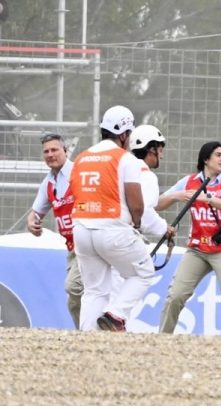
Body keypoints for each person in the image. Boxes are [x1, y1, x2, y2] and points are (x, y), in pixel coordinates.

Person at [68, 105, 158, 332]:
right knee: (143, 272)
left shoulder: (81, 158)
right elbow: (136, 203)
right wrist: (136, 223)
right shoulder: (124, 158)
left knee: (94, 289)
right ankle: (116, 315)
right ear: (124, 133)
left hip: (81, 229)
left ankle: (88, 337)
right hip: (112, 228)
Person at [157, 141, 221, 336]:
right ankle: (162, 340)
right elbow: (157, 204)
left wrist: (206, 198)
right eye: (218, 155)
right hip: (197, 251)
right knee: (174, 296)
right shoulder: (189, 181)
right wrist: (179, 195)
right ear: (205, 159)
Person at [26, 132, 82, 327]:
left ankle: (98, 331)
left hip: (90, 245)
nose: (50, 154)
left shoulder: (79, 174)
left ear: (65, 151)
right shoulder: (48, 182)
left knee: (74, 288)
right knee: (75, 302)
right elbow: (34, 213)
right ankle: (91, 336)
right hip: (72, 249)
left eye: (54, 150)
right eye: (46, 151)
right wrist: (32, 223)